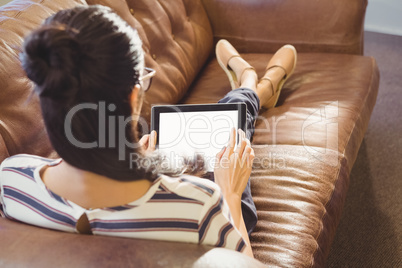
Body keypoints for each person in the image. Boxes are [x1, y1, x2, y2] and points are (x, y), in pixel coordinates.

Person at [0, 4, 296, 258]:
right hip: (205, 211)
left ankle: (252, 87)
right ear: (133, 95)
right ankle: (253, 86)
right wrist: (229, 193)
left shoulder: (11, 181)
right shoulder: (201, 206)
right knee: (229, 142)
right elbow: (241, 261)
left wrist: (133, 162)